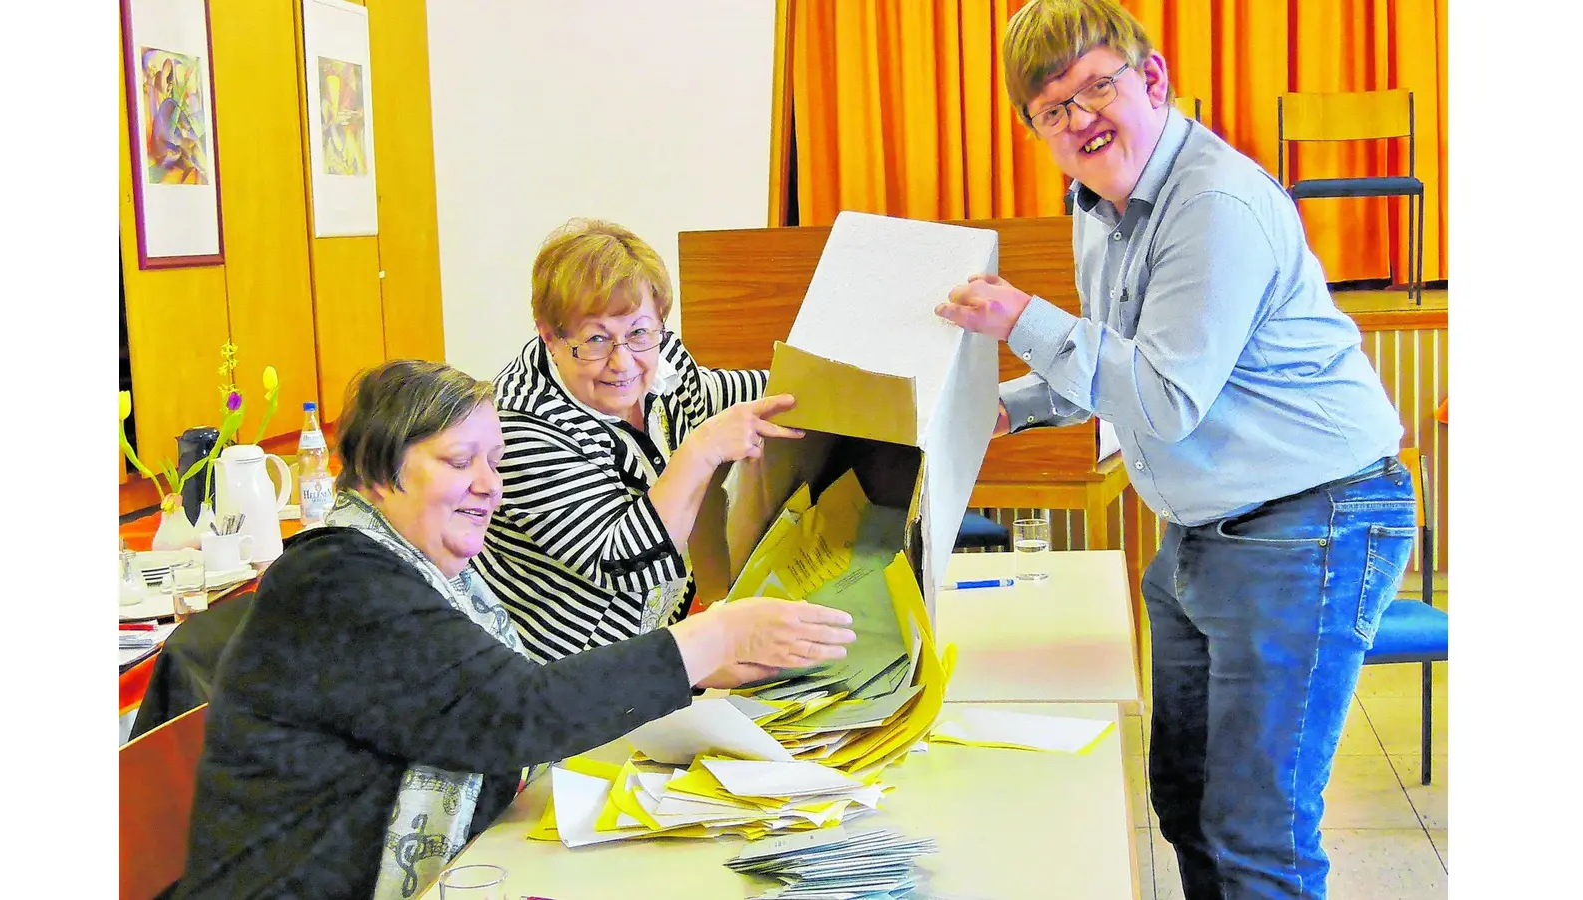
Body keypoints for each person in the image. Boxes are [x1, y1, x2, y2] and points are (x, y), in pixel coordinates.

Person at [934, 2, 1416, 897]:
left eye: (1096, 88)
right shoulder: (1098, 204)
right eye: (1052, 109)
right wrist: (1006, 409)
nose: (1080, 120)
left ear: (1151, 79)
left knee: (1257, 832)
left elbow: (1162, 396)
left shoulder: (1214, 204)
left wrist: (1023, 320)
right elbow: (1124, 357)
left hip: (1311, 520)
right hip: (1206, 528)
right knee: (1186, 801)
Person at [175, 360, 855, 899]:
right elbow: (511, 714)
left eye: (494, 462)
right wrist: (711, 641)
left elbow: (508, 694)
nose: (488, 486)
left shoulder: (420, 572)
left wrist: (700, 666)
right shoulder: (338, 580)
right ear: (381, 471)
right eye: (458, 460)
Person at [474, 218, 802, 662]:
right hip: (569, 670)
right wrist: (702, 450)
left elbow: (710, 396)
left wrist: (817, 384)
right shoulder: (519, 430)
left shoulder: (657, 353)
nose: (623, 361)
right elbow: (624, 561)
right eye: (595, 339)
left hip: (654, 642)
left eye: (639, 333)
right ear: (550, 335)